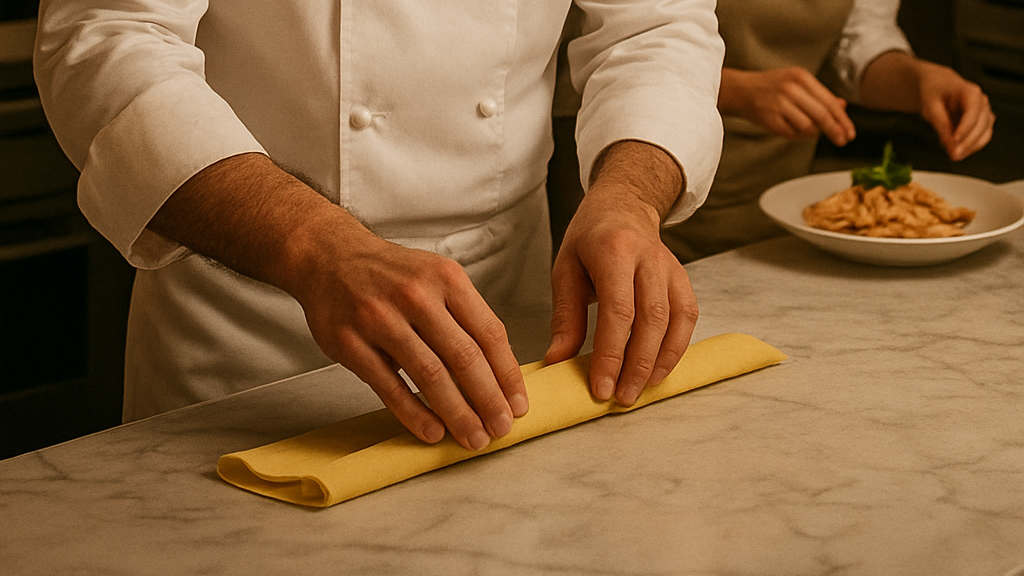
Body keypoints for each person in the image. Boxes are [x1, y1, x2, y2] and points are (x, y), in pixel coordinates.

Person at [34, 1, 725, 452]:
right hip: (250, 328)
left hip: (507, 314)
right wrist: (316, 246)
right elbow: (105, 39)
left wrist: (630, 194)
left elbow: (657, 26)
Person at [657, 0, 996, 262]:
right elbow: (626, 48)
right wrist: (736, 91)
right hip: (655, 199)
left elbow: (857, 47)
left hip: (781, 211)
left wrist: (919, 80)